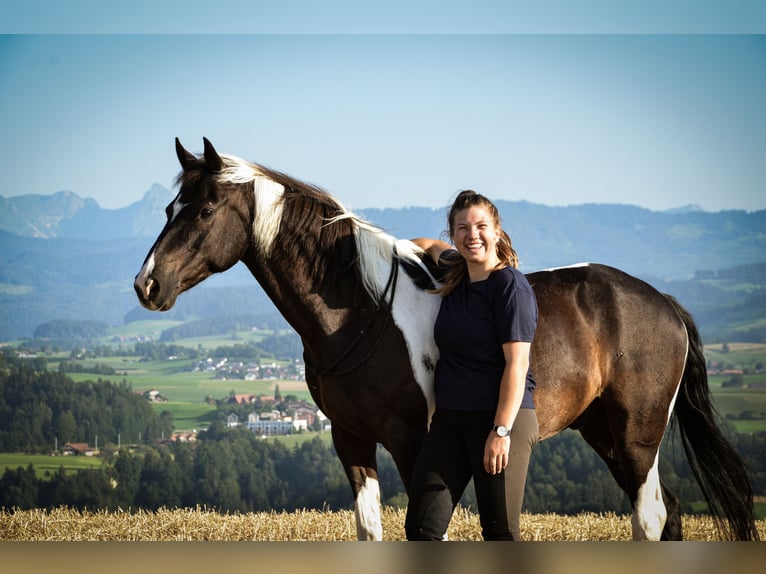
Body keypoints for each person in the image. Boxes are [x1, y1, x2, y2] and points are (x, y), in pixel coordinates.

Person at [405, 189, 539, 541]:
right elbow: (427, 245)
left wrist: (501, 432)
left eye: (481, 226)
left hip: (499, 419)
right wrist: (384, 250)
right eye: (462, 228)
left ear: (497, 231)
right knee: (421, 530)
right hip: (450, 421)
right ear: (453, 235)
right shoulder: (455, 271)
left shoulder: (510, 287)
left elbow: (517, 365)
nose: (472, 235)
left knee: (499, 535)